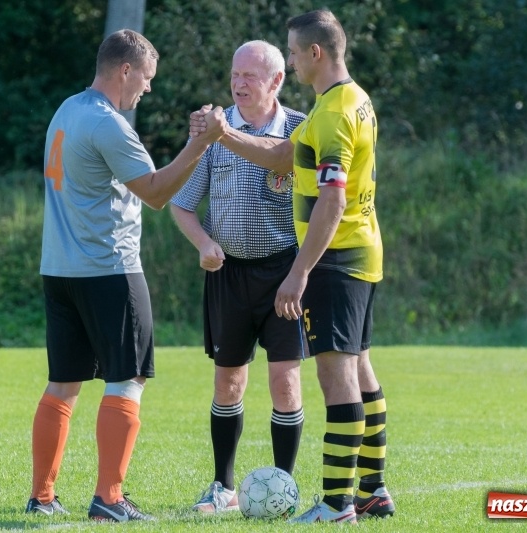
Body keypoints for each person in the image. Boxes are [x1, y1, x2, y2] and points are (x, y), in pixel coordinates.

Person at [191, 9, 394, 524]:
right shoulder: (354, 100)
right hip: (363, 252)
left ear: (315, 54)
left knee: (336, 377)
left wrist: (301, 271)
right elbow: (284, 157)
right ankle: (372, 490)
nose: (295, 63)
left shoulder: (329, 117)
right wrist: (224, 136)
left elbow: (331, 200)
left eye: (296, 53)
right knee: (362, 368)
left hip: (335, 261)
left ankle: (336, 503)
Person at [26, 29, 223, 522]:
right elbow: (156, 193)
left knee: (63, 384)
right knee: (127, 379)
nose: (148, 89)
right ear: (125, 70)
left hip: (60, 270)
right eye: (147, 78)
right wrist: (201, 144)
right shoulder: (109, 124)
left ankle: (42, 498)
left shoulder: (66, 111)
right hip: (109, 269)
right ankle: (109, 499)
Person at [170, 40, 307, 514]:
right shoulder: (212, 132)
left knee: (285, 383)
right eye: (234, 75)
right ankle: (222, 488)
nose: (240, 84)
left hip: (285, 273)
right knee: (228, 382)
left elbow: (309, 191)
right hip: (229, 275)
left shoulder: (300, 130)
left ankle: (284, 489)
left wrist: (304, 270)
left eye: (250, 75)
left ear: (276, 81)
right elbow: (182, 204)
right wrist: (205, 244)